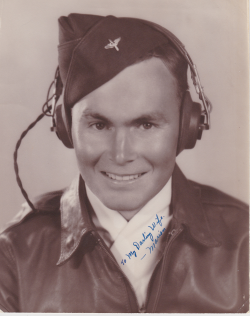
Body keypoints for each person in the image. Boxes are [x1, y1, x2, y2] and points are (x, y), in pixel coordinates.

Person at [0, 13, 248, 313]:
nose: (120, 155)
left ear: (187, 126)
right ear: (65, 127)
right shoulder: (14, 253)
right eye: (99, 125)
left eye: (145, 125)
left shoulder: (244, 241)